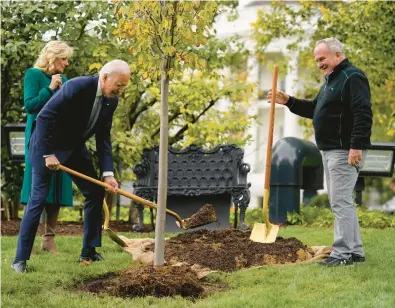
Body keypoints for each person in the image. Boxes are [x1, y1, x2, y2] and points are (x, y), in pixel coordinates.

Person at [11, 60, 131, 274]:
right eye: (118, 84)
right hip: (44, 144)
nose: (120, 90)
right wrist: (48, 154)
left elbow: (103, 138)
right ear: (104, 77)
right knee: (38, 198)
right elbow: (44, 117)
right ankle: (20, 260)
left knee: (95, 192)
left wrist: (108, 174)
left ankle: (89, 251)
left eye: (124, 86)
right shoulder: (77, 86)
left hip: (72, 147)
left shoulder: (111, 101)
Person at [267, 38, 373, 267]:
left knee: (340, 202)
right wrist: (289, 101)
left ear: (337, 55)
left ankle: (342, 254)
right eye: (317, 60)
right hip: (331, 150)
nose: (319, 64)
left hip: (343, 150)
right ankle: (355, 252)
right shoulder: (331, 81)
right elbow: (316, 109)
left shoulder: (352, 77)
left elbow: (363, 112)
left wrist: (356, 145)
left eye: (322, 59)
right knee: (343, 201)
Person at [20, 41, 74, 254]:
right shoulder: (33, 75)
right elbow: (30, 105)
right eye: (64, 59)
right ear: (52, 57)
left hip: (59, 139)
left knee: (58, 185)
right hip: (37, 139)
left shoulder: (66, 80)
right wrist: (50, 88)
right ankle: (28, 241)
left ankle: (49, 239)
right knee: (36, 188)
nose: (66, 63)